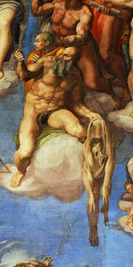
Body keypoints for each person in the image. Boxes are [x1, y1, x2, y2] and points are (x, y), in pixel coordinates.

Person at [10, 34, 100, 187]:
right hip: (33, 112)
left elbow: (77, 104)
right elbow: (25, 75)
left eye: (68, 57)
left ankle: (90, 167)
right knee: (24, 153)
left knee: (80, 132)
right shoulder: (46, 62)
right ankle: (20, 172)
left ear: (74, 61)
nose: (63, 58)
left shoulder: (75, 77)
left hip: (55, 112)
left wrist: (91, 115)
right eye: (63, 54)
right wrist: (20, 62)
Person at [31, 0, 112, 95]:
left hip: (82, 46)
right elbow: (36, 11)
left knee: (92, 83)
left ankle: (112, 93)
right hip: (59, 44)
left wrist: (73, 38)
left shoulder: (84, 12)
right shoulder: (57, 4)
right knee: (51, 72)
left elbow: (81, 36)